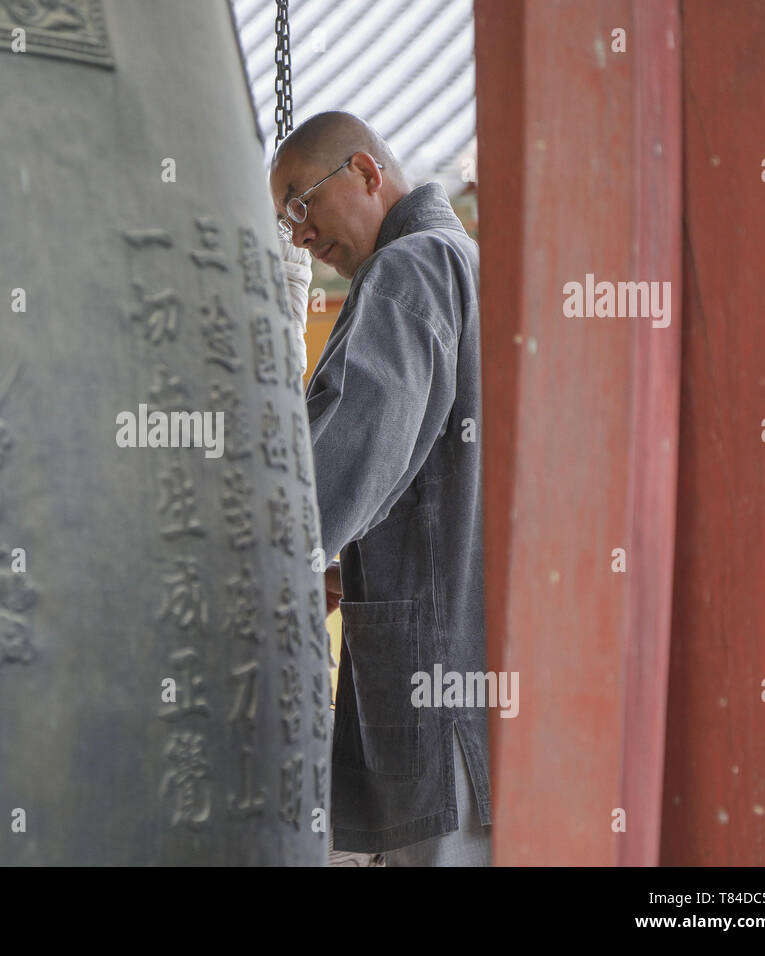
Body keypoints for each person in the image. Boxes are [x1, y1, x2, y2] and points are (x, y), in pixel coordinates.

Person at [270, 111, 492, 866]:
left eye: (301, 204)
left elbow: (357, 445)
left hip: (437, 694)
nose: (296, 234)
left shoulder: (410, 270)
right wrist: (342, 561)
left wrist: (267, 559)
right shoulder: (467, 264)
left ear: (367, 172)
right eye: (284, 220)